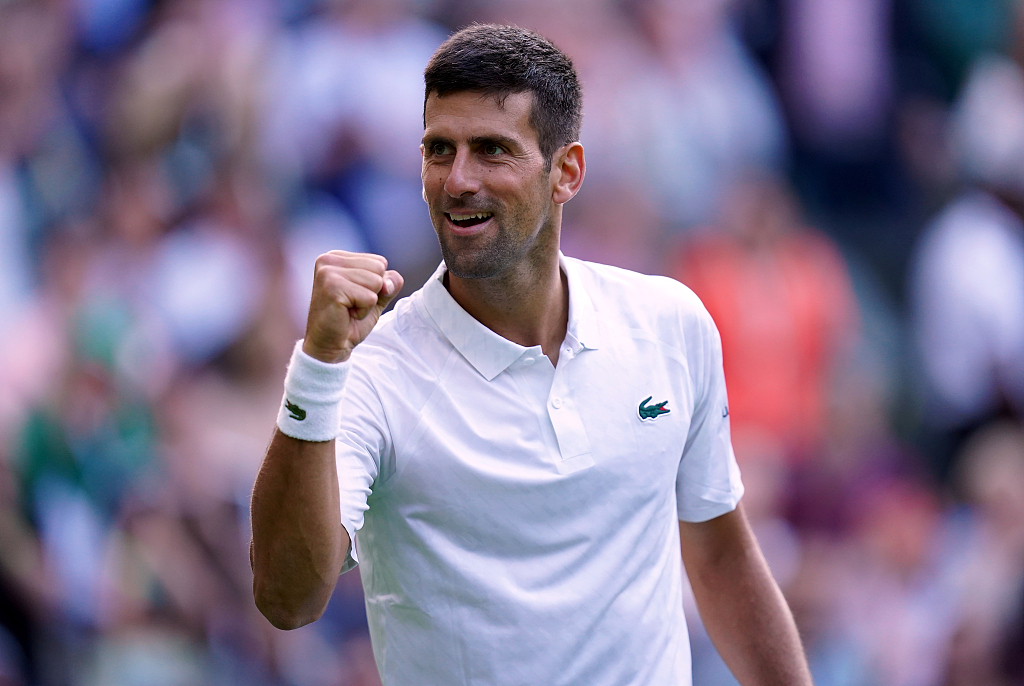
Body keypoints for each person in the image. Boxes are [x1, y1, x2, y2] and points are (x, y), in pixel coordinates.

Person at [250, 23, 813, 686]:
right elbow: (289, 598)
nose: (458, 180)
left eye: (491, 150)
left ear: (565, 172)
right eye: (439, 150)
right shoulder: (373, 375)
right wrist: (318, 366)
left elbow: (719, 557)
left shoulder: (671, 324)